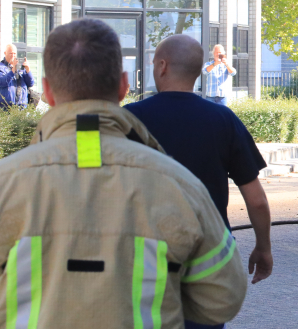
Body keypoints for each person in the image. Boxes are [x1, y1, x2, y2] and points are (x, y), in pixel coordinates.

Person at [0, 19, 247, 328]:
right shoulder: (179, 184)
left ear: (47, 91)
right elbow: (223, 298)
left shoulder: (7, 183)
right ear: (123, 85)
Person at [125, 35, 273, 297]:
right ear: (196, 72)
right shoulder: (224, 120)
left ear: (162, 66)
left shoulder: (130, 118)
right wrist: (264, 247)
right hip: (209, 250)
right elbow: (257, 200)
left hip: (145, 252)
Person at [0, 43, 34, 109]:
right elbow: (3, 82)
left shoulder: (20, 67)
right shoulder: (1, 67)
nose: (13, 56)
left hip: (21, 107)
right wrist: (13, 71)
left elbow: (30, 83)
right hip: (5, 109)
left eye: (14, 53)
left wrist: (28, 70)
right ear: (5, 53)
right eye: (11, 53)